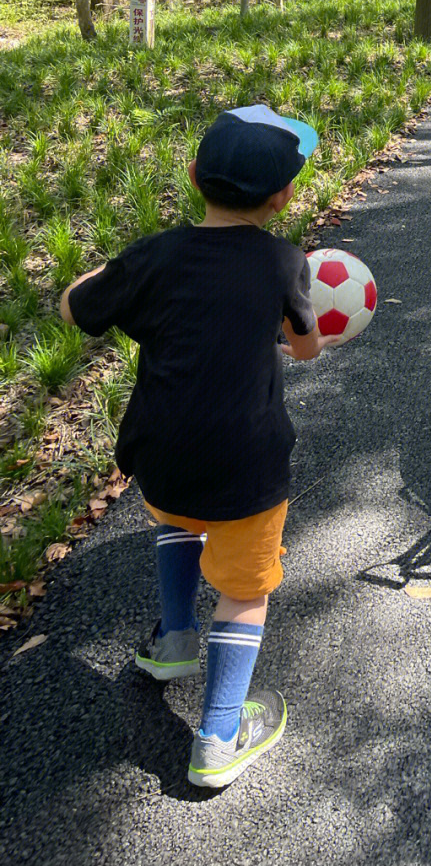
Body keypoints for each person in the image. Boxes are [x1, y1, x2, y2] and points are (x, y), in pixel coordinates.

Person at [60, 105, 326, 789]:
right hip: (248, 464)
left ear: (191, 176)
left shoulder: (154, 255)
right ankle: (216, 734)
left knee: (177, 521)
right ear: (283, 195)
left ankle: (175, 638)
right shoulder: (284, 262)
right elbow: (307, 347)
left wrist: (87, 278)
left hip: (162, 453)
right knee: (243, 589)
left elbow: (77, 309)